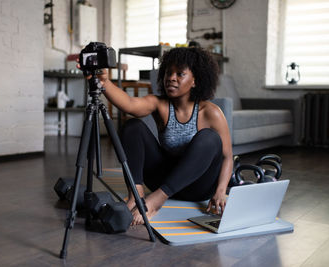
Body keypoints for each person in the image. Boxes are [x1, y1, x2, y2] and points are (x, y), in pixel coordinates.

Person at [83, 47, 233, 225]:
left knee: (209, 138)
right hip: (162, 179)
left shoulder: (211, 112)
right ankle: (136, 194)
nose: (171, 78)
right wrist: (104, 82)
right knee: (133, 126)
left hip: (197, 187)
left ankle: (157, 200)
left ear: (195, 80)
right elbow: (130, 104)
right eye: (168, 73)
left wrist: (221, 191)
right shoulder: (160, 104)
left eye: (180, 74)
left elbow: (227, 157)